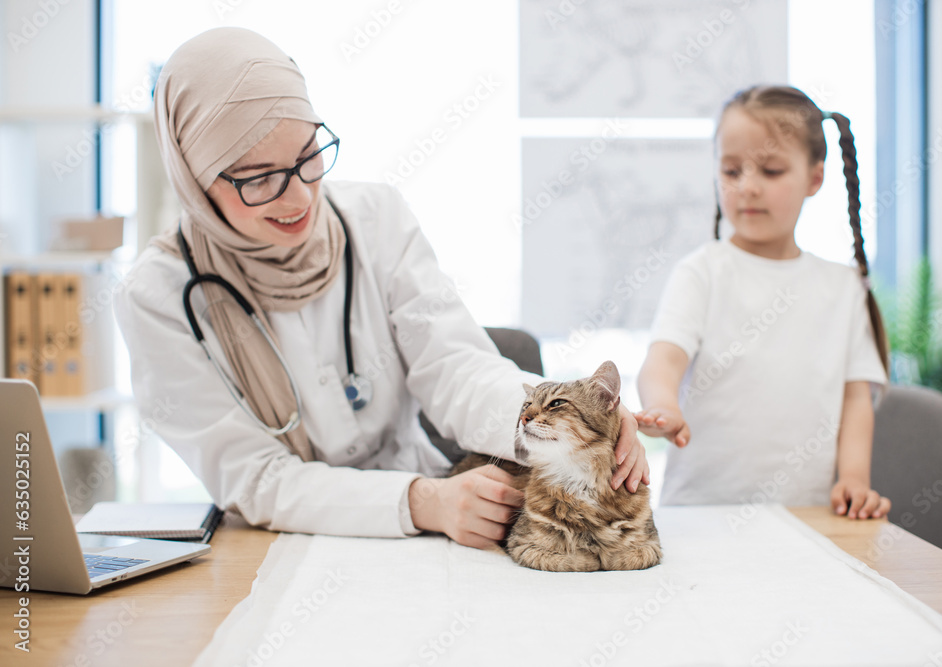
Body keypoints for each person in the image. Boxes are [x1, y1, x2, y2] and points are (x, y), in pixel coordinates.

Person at [114, 27, 649, 550]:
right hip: (282, 542)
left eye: (308, 155)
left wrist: (566, 427)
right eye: (258, 178)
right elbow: (254, 478)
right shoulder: (156, 298)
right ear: (192, 176)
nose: (299, 196)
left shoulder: (376, 218)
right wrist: (419, 502)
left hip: (430, 524)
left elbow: (455, 365)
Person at [635, 85, 891, 520]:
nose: (747, 187)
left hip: (807, 519)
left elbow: (855, 398)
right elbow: (663, 359)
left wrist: (854, 478)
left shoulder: (842, 286)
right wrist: (662, 403)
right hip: (700, 516)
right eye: (732, 171)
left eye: (770, 171)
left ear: (815, 178)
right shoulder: (702, 272)